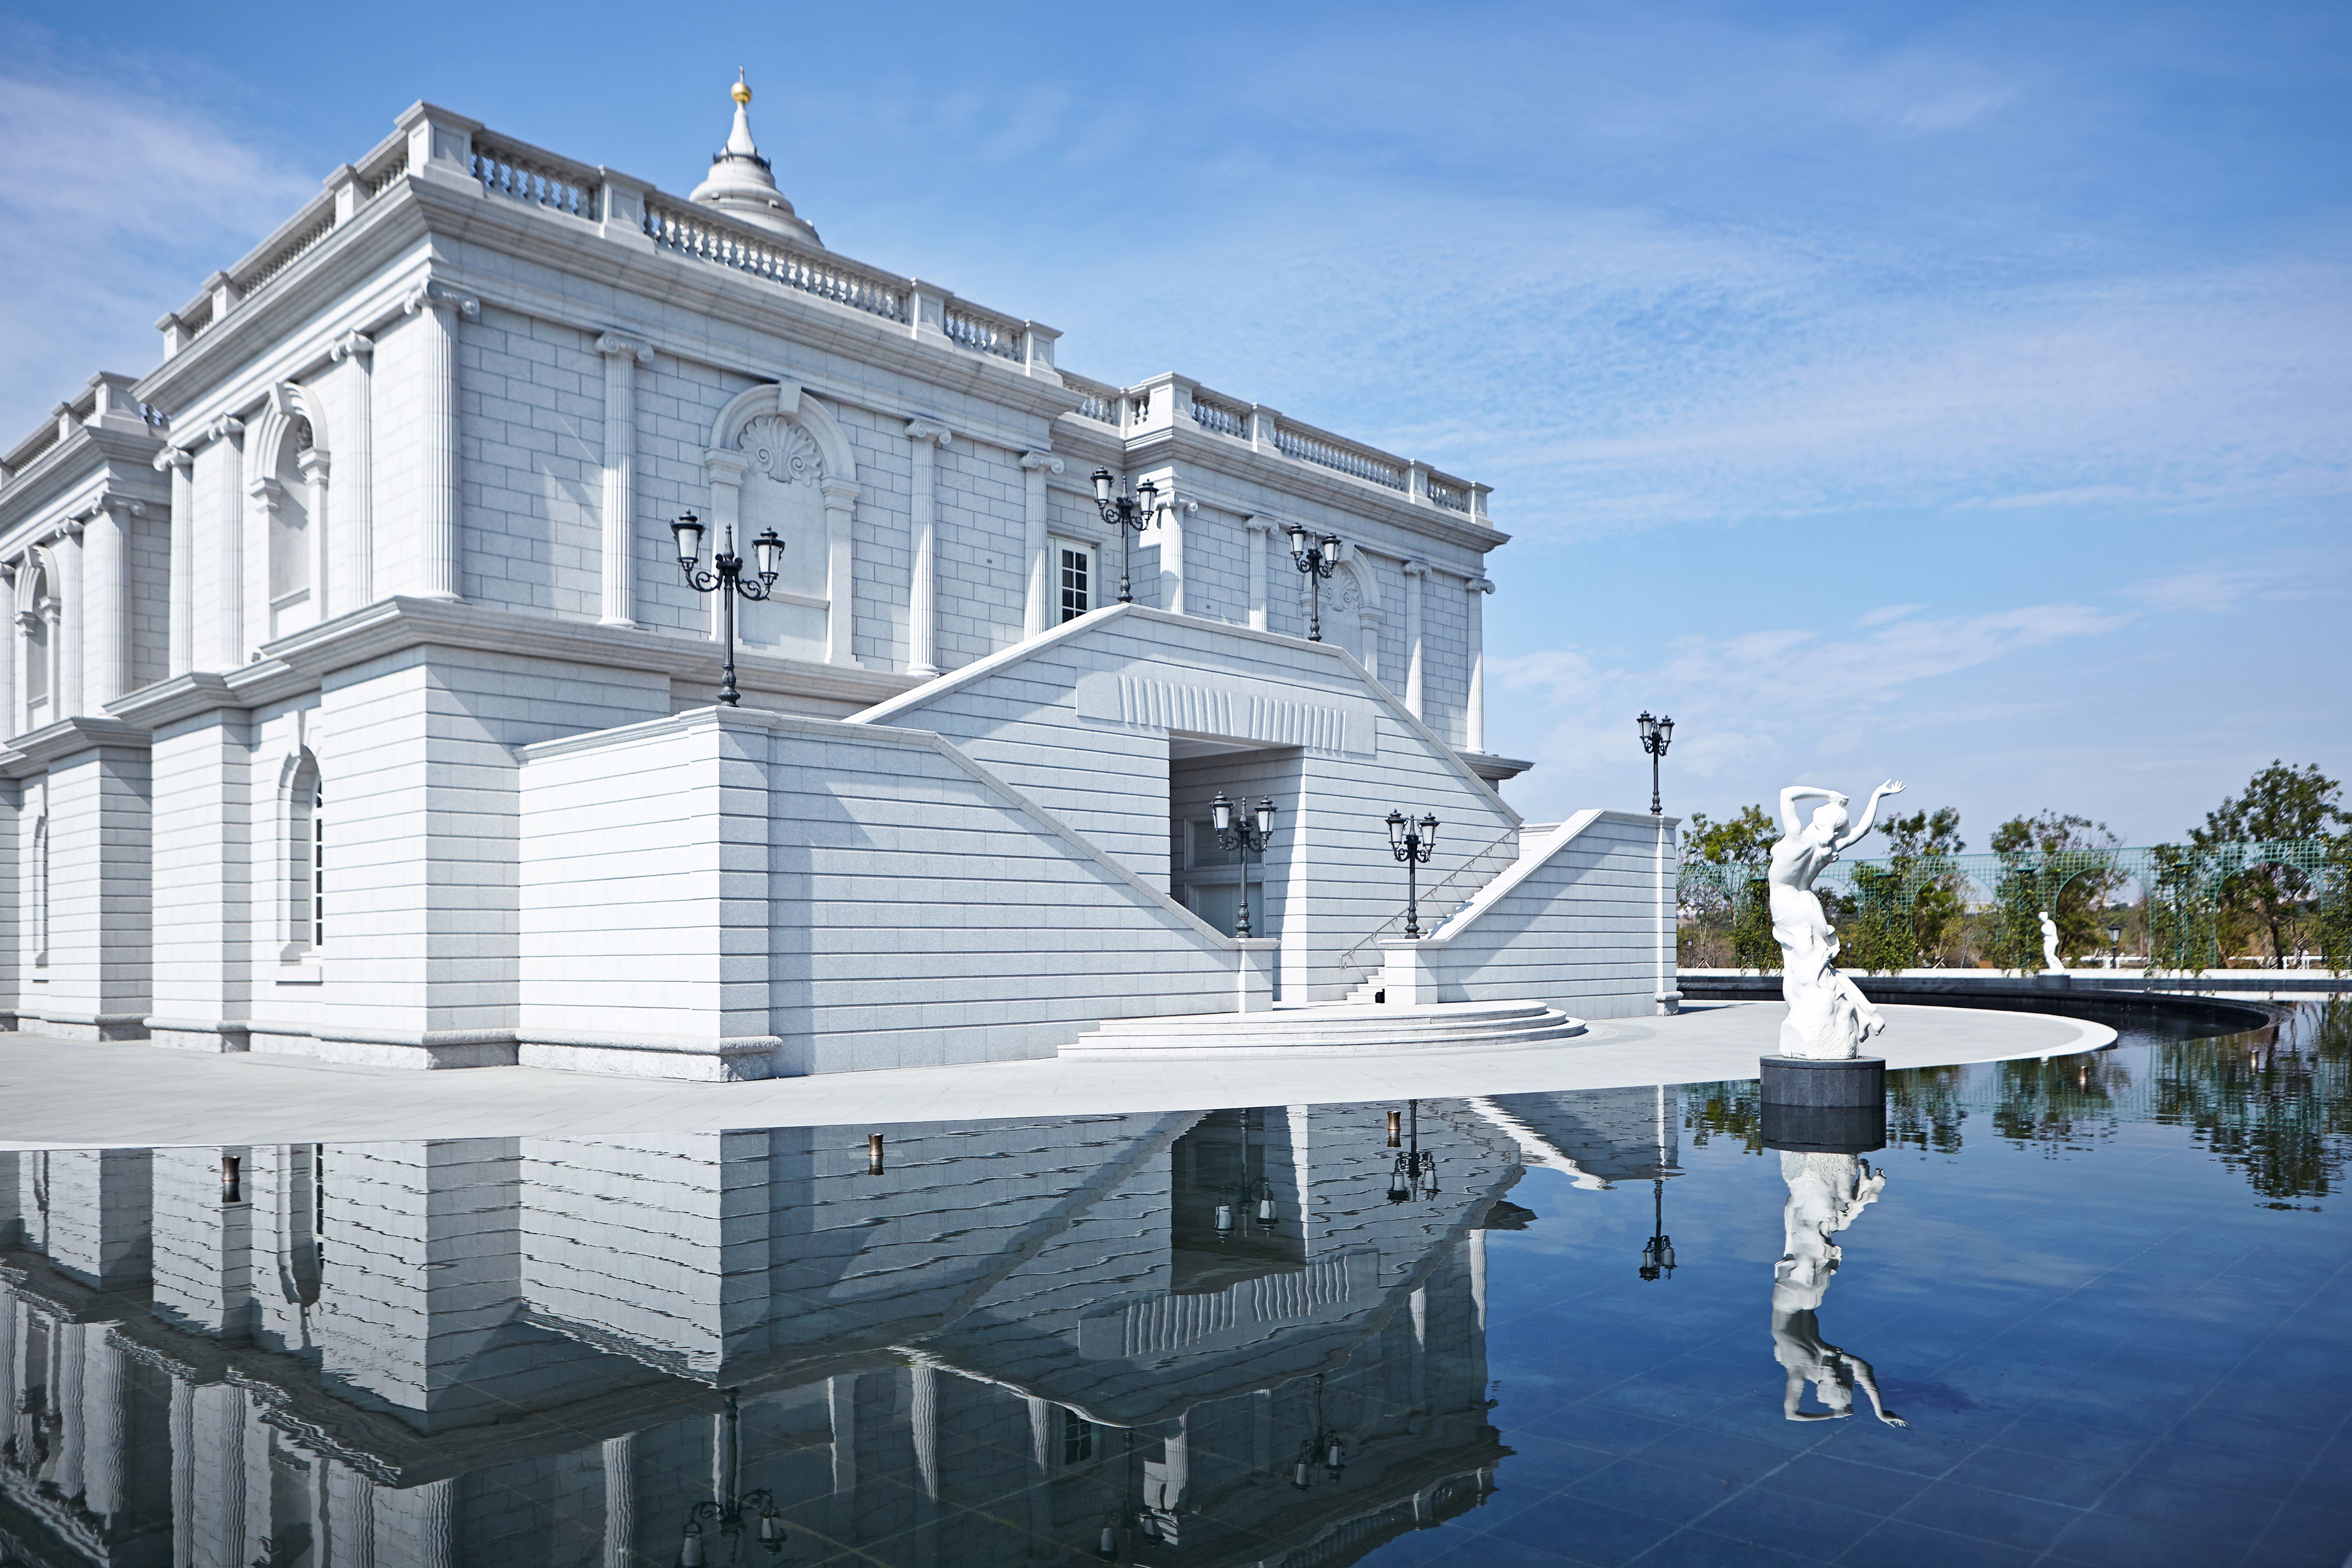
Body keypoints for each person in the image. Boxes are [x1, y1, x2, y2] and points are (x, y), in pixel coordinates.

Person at [1767, 781, 1905, 1057]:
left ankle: (1856, 1014)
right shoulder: (1824, 850)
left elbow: (1786, 794)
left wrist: (1828, 794)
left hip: (1786, 906)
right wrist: (1876, 795)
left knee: (1809, 975)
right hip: (1806, 903)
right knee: (1817, 972)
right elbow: (1863, 831)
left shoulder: (1796, 836)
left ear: (1817, 819)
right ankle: (1864, 1012)